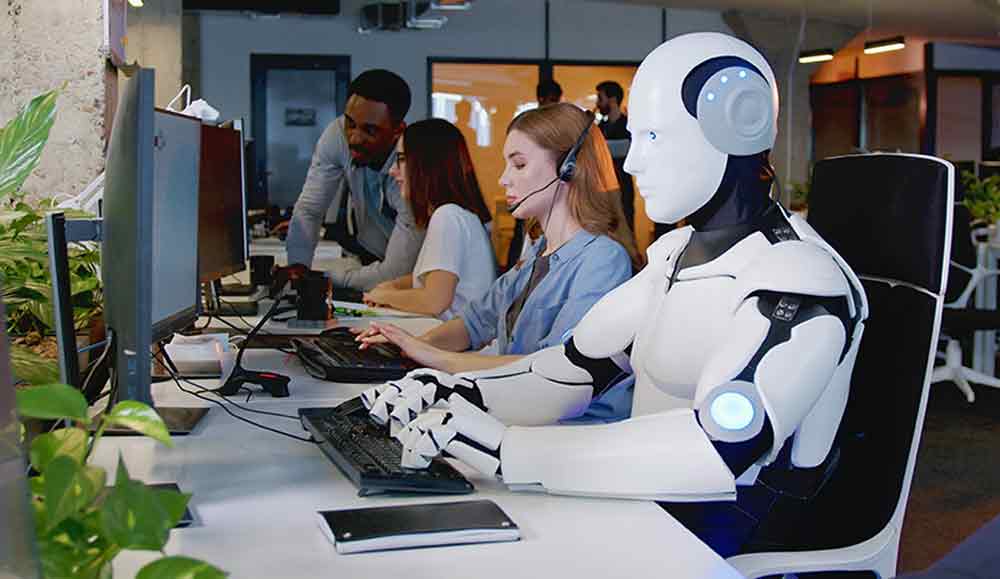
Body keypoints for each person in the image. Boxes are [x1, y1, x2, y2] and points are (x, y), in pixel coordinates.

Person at [361, 32, 868, 559]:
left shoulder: (799, 278)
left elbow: (719, 449)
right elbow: (572, 371)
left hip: (726, 529)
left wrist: (507, 449)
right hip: (652, 505)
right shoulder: (673, 255)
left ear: (738, 123)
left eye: (654, 137)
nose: (630, 164)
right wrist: (453, 393)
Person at [357, 103, 640, 397]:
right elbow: (473, 323)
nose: (504, 178)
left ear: (568, 169)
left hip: (573, 431)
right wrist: (409, 347)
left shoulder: (602, 259)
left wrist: (434, 358)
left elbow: (556, 370)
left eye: (519, 165)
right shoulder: (538, 252)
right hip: (520, 413)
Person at [282, 69, 423, 291]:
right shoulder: (337, 135)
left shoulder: (412, 172)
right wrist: (297, 267)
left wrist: (322, 277)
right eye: (350, 123)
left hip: (414, 278)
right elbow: (310, 209)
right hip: (371, 254)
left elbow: (396, 273)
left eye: (370, 130)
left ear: (398, 130)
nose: (354, 138)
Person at [361, 119, 495, 320]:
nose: (392, 171)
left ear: (428, 164)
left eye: (402, 159)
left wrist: (386, 295)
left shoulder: (448, 216)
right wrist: (396, 285)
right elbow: (437, 279)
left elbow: (434, 301)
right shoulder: (460, 215)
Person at [596, 80, 636, 232]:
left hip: (622, 188)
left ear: (612, 100)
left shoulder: (628, 126)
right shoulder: (600, 127)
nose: (598, 103)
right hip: (602, 190)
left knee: (625, 230)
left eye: (601, 98)